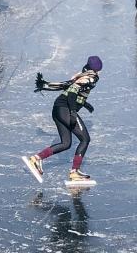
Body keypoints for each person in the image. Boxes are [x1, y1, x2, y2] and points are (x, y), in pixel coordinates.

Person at [22, 56, 104, 184]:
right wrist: (72, 112)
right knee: (85, 139)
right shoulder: (90, 77)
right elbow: (72, 93)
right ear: (97, 69)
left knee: (66, 143)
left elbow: (67, 87)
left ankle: (36, 159)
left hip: (58, 109)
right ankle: (74, 172)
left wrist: (84, 104)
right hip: (66, 109)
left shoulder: (81, 75)